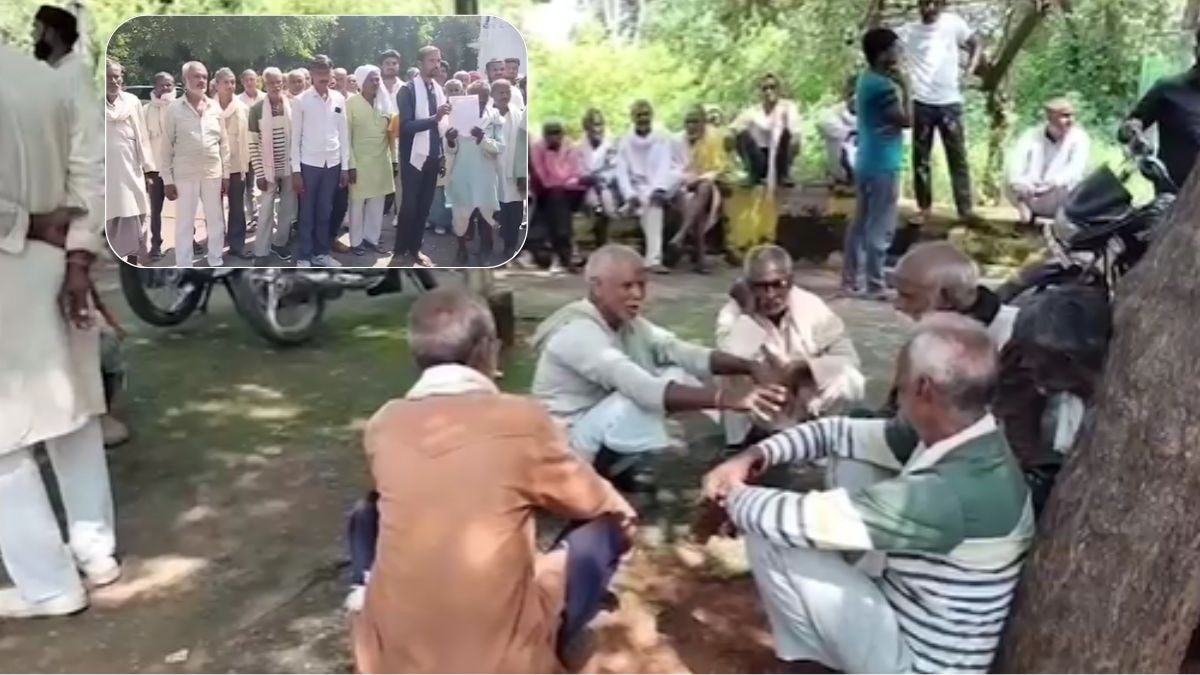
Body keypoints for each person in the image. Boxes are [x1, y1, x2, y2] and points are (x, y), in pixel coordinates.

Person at [703, 313, 1033, 673]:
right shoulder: (968, 439)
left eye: (901, 377)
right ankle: (815, 659)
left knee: (771, 536)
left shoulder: (951, 490)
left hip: (917, 664)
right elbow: (836, 433)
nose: (896, 387)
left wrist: (731, 495)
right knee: (849, 461)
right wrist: (756, 455)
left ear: (923, 389)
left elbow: (796, 520)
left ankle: (807, 663)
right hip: (910, 620)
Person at [348, 288, 637, 673]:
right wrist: (624, 527)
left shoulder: (383, 423)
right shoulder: (520, 419)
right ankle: (559, 639)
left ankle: (362, 594)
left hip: (393, 661)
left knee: (368, 511)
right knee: (607, 526)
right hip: (499, 662)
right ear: (489, 350)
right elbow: (597, 503)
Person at [0, 40, 117, 619]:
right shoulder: (48, 79)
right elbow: (90, 175)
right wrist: (77, 257)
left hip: (7, 267)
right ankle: (97, 552)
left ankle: (49, 586)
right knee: (72, 413)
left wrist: (21, 221)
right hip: (58, 266)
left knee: (5, 442)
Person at [530, 244, 788, 492]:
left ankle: (620, 467)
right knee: (636, 396)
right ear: (597, 287)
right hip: (564, 444)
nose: (637, 295)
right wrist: (730, 400)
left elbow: (682, 352)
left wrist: (748, 366)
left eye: (641, 286)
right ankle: (597, 474)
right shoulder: (579, 332)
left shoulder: (630, 325)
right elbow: (641, 388)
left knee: (675, 372)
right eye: (627, 286)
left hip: (592, 429)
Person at [716, 245, 864, 451]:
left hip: (802, 396)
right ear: (747, 286)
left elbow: (848, 357)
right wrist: (748, 314)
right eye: (760, 286)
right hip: (762, 400)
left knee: (849, 379)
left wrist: (805, 369)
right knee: (730, 371)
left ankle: (818, 434)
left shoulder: (812, 307)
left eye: (777, 284)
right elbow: (730, 356)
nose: (770, 294)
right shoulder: (734, 313)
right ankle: (747, 440)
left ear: (791, 281)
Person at [994, 286, 1111, 517]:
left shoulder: (1104, 394)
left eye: (1034, 355)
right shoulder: (1022, 376)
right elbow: (1018, 443)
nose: (1027, 363)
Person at [899, 0, 984, 225]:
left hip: (950, 102)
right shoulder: (908, 31)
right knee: (921, 160)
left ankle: (965, 211)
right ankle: (924, 208)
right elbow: (883, 46)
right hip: (921, 102)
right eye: (924, 3)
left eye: (934, 3)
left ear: (941, 5)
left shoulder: (953, 24)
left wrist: (970, 70)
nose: (929, 8)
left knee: (957, 158)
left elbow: (976, 42)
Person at [843, 28, 911, 299]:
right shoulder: (884, 87)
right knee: (880, 225)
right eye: (895, 48)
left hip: (865, 160)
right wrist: (907, 86)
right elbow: (906, 120)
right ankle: (874, 283)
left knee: (861, 221)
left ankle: (851, 279)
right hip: (883, 162)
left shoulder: (866, 79)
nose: (899, 53)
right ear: (882, 54)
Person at [163, 61, 231, 268]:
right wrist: (167, 179)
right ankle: (184, 266)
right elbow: (166, 146)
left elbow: (224, 144)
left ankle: (215, 261)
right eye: (196, 76)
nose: (201, 80)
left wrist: (226, 175)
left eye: (204, 76)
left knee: (216, 221)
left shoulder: (214, 107)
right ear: (185, 80)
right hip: (185, 175)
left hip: (212, 173)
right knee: (184, 223)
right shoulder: (174, 109)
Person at [893, 241, 1018, 347]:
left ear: (948, 299)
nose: (897, 305)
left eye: (908, 296)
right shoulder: (931, 333)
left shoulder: (1012, 337)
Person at [1120, 27, 1200, 189]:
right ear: (1197, 50)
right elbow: (1126, 130)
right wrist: (1133, 133)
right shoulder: (1168, 89)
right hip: (1173, 198)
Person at [394, 45, 452, 267]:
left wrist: (450, 132)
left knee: (424, 207)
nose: (436, 65)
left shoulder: (437, 89)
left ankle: (415, 249)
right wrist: (434, 119)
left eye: (438, 61)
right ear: (420, 64)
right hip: (413, 158)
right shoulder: (407, 90)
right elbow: (406, 126)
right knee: (409, 207)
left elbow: (442, 125)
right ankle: (399, 251)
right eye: (432, 61)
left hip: (433, 157)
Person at [290, 54, 349, 268]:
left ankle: (321, 253)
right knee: (307, 212)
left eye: (327, 72)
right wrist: (296, 171)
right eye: (319, 73)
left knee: (325, 210)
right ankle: (305, 255)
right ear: (312, 74)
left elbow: (343, 134)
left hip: (332, 164)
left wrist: (345, 166)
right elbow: (295, 137)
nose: (324, 77)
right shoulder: (301, 101)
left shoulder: (339, 99)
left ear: (332, 74)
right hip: (308, 165)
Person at [614, 100, 686, 273]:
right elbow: (621, 172)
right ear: (633, 117)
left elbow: (673, 165)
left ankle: (653, 258)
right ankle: (653, 259)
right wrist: (629, 194)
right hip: (639, 187)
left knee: (654, 200)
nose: (643, 118)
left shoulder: (664, 137)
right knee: (651, 206)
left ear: (652, 116)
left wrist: (660, 188)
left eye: (646, 114)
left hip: (665, 183)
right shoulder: (625, 141)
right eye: (639, 115)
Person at [446, 80, 505, 265]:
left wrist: (483, 138)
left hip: (485, 172)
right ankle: (461, 249)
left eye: (484, 97)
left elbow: (500, 146)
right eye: (477, 97)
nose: (481, 101)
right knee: (461, 213)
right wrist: (450, 140)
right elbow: (450, 150)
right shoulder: (455, 115)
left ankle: (486, 250)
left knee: (486, 212)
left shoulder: (494, 116)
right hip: (462, 170)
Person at [1006, 98, 1090, 225]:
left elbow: (1076, 168)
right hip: (1031, 191)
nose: (1070, 121)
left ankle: (1064, 221)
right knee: (1009, 176)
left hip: (1060, 193)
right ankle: (1025, 210)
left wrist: (1053, 182)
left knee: (1080, 184)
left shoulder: (1079, 138)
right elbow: (1016, 162)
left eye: (1072, 116)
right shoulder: (1030, 135)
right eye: (1065, 116)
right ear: (1050, 117)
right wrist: (1022, 182)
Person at [105, 59, 157, 263]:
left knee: (135, 217)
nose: (114, 80)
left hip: (130, 172)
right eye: (109, 76)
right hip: (104, 177)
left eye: (117, 76)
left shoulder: (132, 102)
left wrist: (149, 171)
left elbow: (142, 137)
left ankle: (133, 263)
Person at [671, 105, 729, 273]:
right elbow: (672, 167)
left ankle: (681, 235)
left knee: (703, 190)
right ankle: (700, 258)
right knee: (696, 206)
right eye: (687, 122)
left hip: (707, 185)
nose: (691, 126)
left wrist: (700, 179)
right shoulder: (676, 140)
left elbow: (718, 168)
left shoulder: (714, 138)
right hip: (681, 186)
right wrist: (687, 180)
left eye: (695, 121)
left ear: (704, 123)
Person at [345, 65, 395, 256]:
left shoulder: (385, 102)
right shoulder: (351, 104)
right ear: (361, 82)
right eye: (371, 79)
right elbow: (346, 138)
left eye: (377, 79)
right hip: (359, 163)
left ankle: (371, 239)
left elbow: (391, 134)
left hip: (381, 161)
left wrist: (394, 160)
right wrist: (351, 165)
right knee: (357, 204)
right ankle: (356, 242)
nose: (376, 83)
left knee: (377, 202)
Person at [248, 67, 296, 265]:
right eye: (271, 82)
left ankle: (279, 243)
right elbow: (252, 144)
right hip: (267, 171)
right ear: (264, 84)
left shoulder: (291, 105)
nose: (276, 86)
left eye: (279, 82)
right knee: (266, 210)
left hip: (290, 167)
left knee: (287, 209)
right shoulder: (256, 109)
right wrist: (259, 173)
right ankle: (261, 251)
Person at [530, 119, 585, 272]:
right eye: (550, 134)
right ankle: (565, 251)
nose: (554, 138)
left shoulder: (571, 149)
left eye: (557, 133)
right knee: (556, 200)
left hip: (571, 192)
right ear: (544, 135)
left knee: (558, 199)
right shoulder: (537, 148)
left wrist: (562, 181)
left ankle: (563, 251)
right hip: (547, 192)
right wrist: (561, 180)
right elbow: (541, 177)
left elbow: (575, 174)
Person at [730, 73, 801, 190]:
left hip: (780, 155)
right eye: (765, 88)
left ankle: (782, 175)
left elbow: (795, 132)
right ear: (760, 92)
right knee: (742, 134)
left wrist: (795, 143)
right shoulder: (753, 111)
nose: (769, 91)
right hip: (759, 156)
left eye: (772, 87)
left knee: (786, 133)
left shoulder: (788, 107)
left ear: (779, 89)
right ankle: (753, 175)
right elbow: (733, 128)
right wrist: (730, 137)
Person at [214, 67, 252, 259]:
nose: (229, 86)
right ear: (216, 85)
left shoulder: (242, 108)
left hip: (237, 166)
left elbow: (248, 139)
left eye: (232, 82)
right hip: (212, 166)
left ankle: (237, 246)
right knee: (214, 208)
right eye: (225, 82)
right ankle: (216, 245)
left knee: (237, 208)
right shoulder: (208, 108)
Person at [141, 71, 176, 260]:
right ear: (155, 86)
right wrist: (145, 170)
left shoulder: (180, 107)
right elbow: (142, 141)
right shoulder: (147, 111)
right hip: (155, 169)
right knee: (155, 210)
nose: (165, 88)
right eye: (162, 85)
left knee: (186, 207)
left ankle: (191, 240)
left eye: (169, 85)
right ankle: (155, 245)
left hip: (178, 167)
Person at [427, 78, 465, 237]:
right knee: (440, 190)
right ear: (445, 92)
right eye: (451, 90)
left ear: (463, 91)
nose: (455, 93)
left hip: (462, 156)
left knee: (457, 190)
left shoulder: (467, 109)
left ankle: (455, 222)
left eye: (457, 90)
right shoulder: (440, 110)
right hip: (443, 155)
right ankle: (439, 221)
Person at [493, 79, 526, 261]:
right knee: (496, 209)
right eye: (500, 92)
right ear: (493, 95)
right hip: (493, 171)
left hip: (513, 170)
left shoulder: (519, 117)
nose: (504, 96)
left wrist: (522, 173)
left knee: (514, 208)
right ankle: (489, 243)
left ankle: (510, 245)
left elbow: (523, 146)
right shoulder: (487, 116)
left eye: (507, 92)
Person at [579, 108, 621, 248]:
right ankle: (601, 236)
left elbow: (616, 168)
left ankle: (605, 234)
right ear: (586, 127)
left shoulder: (611, 145)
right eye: (594, 125)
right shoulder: (579, 147)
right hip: (586, 188)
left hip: (607, 187)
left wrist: (602, 179)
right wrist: (590, 178)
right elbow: (578, 171)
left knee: (605, 196)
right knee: (593, 198)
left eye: (600, 125)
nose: (597, 129)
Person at [816, 75, 859, 186]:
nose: (855, 97)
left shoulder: (874, 115)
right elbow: (822, 123)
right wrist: (850, 133)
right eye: (852, 92)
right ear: (846, 93)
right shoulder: (832, 113)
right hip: (839, 181)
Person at [377, 50, 404, 218]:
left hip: (400, 139)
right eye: (387, 63)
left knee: (400, 182)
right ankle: (376, 218)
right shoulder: (373, 85)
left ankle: (399, 217)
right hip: (378, 139)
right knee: (378, 181)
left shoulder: (405, 87)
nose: (391, 67)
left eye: (394, 63)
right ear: (381, 65)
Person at [238, 68, 265, 231]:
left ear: (257, 81)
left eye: (252, 79)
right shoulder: (238, 100)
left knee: (268, 184)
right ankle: (253, 216)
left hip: (266, 148)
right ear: (242, 81)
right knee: (249, 186)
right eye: (247, 79)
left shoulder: (265, 98)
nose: (250, 82)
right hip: (248, 148)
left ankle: (269, 216)